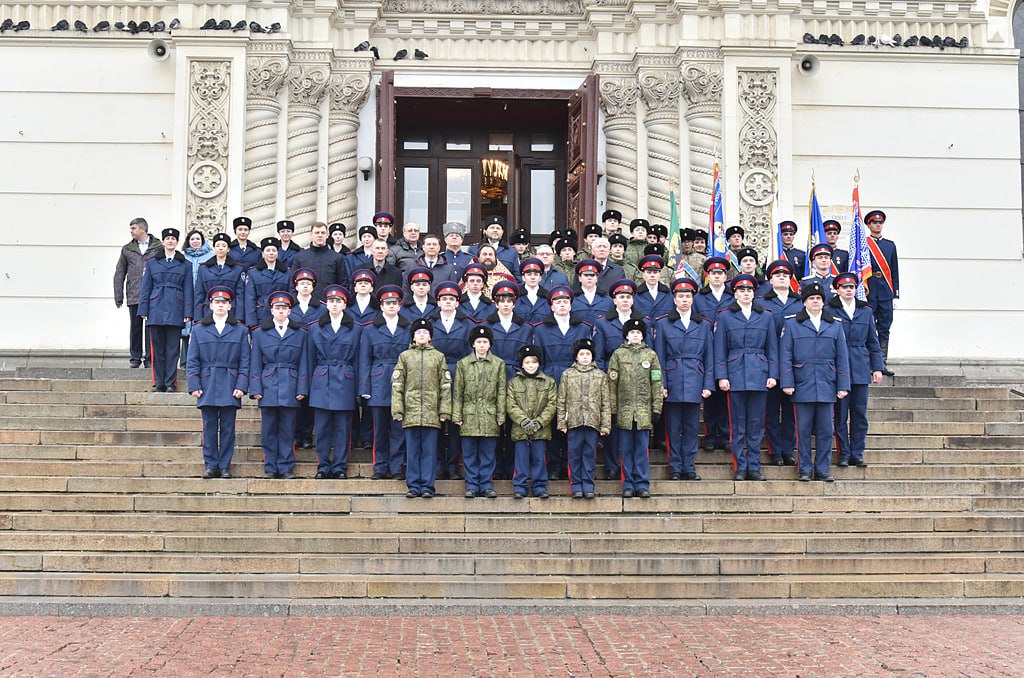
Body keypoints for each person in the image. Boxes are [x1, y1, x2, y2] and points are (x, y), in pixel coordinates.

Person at [780, 281, 851, 482]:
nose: (815, 302)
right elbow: (785, 354)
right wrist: (787, 381)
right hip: (802, 383)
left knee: (826, 430)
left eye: (818, 299)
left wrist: (843, 385)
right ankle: (804, 469)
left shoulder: (835, 325)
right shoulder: (792, 324)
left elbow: (842, 357)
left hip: (827, 383)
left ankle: (822, 468)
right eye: (811, 299)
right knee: (802, 430)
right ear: (804, 302)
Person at [714, 274, 779, 481]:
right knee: (738, 425)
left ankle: (754, 466)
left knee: (756, 425)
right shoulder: (725, 316)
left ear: (754, 293)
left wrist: (773, 374)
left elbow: (772, 348)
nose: (746, 294)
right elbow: (719, 350)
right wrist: (722, 376)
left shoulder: (766, 316)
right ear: (735, 293)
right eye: (741, 291)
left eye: (749, 291)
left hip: (759, 374)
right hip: (735, 375)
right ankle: (740, 466)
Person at [186, 286, 249, 479]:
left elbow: (245, 361)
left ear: (230, 306)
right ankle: (211, 464)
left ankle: (225, 466)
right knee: (209, 427)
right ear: (211, 305)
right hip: (207, 384)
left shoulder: (240, 330)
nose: (220, 306)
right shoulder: (198, 330)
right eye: (217, 302)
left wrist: (241, 385)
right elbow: (192, 360)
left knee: (228, 428)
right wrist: (194, 385)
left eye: (224, 303)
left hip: (230, 384)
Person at [655, 277, 714, 481]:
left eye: (688, 296)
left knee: (691, 428)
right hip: (672, 380)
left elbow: (710, 357)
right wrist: (660, 384)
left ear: (693, 298)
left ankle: (689, 466)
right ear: (674, 299)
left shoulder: (703, 325)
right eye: (680, 296)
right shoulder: (663, 324)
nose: (684, 300)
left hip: (695, 380)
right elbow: (659, 358)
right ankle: (675, 467)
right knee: (673, 427)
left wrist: (708, 384)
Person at [249, 291, 310, 480]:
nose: (281, 311)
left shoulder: (300, 333)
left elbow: (304, 363)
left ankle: (285, 466)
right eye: (278, 308)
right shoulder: (260, 333)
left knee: (287, 430)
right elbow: (255, 363)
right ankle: (270, 466)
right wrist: (256, 388)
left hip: (290, 385)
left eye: (284, 308)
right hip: (268, 385)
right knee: (268, 430)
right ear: (272, 310)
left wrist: (302, 389)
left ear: (290, 311)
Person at [392, 318, 452, 499]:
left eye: (425, 333)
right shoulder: (405, 356)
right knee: (412, 451)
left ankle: (427, 485)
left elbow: (446, 385)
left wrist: (444, 411)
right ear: (413, 336)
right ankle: (413, 485)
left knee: (429, 451)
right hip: (411, 410)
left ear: (430, 337)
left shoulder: (438, 357)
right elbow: (397, 384)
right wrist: (397, 409)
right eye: (418, 333)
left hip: (431, 411)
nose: (422, 335)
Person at [829, 273, 884, 468]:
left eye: (851, 287)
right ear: (837, 289)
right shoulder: (829, 310)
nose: (848, 290)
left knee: (860, 414)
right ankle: (843, 453)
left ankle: (857, 452)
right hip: (839, 368)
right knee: (840, 415)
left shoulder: (865, 311)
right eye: (844, 287)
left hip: (860, 365)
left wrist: (877, 367)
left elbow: (872, 341)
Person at [309, 284, 363, 479]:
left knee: (342, 428)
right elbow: (309, 359)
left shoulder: (356, 329)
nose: (334, 304)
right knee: (322, 428)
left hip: (345, 380)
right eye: (331, 301)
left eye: (338, 301)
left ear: (344, 305)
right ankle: (323, 465)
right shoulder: (315, 327)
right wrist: (307, 386)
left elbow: (359, 360)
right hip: (321, 380)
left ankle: (340, 466)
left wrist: (359, 388)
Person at [358, 285, 411, 480]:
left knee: (398, 428)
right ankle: (380, 466)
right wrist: (364, 387)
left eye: (394, 303)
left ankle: (396, 467)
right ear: (381, 306)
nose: (391, 306)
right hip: (378, 381)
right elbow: (364, 359)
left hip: (401, 382)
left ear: (399, 306)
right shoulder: (370, 329)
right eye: (387, 303)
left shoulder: (408, 327)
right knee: (379, 428)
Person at [608, 318, 662, 498]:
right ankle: (628, 484)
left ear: (643, 336)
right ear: (626, 335)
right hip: (624, 411)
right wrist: (613, 410)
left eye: (638, 333)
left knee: (641, 450)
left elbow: (656, 382)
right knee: (626, 449)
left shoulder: (651, 355)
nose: (635, 336)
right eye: (632, 333)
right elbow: (612, 384)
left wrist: (656, 408)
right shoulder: (618, 355)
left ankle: (642, 484)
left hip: (643, 412)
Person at [453, 326, 507, 498]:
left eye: (485, 342)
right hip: (469, 413)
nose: (482, 345)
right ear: (473, 344)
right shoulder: (463, 364)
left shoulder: (498, 364)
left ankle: (486, 484)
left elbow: (501, 391)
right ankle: (472, 485)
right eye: (479, 342)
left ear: (490, 344)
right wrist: (457, 414)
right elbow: (458, 392)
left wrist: (500, 415)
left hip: (489, 413)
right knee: (469, 453)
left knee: (487, 453)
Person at [758, 259, 803, 466]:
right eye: (777, 275)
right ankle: (774, 450)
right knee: (771, 410)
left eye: (785, 275)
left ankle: (788, 449)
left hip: (794, 364)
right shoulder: (762, 302)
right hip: (769, 362)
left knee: (791, 412)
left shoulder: (799, 302)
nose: (782, 278)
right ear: (771, 279)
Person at [138, 227, 193, 393]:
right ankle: (158, 382)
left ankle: (170, 383)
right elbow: (146, 288)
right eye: (167, 238)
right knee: (157, 349)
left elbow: (188, 289)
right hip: (156, 308)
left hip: (176, 308)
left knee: (172, 349)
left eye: (173, 239)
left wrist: (188, 313)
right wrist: (143, 310)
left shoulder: (185, 264)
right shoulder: (152, 262)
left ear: (177, 242)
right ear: (162, 242)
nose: (170, 241)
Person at [429, 281, 475, 480]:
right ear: (438, 302)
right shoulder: (429, 323)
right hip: (434, 377)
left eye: (452, 299)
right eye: (444, 299)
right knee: (437, 421)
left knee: (456, 423)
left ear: (457, 303)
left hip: (458, 374)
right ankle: (438, 465)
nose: (448, 302)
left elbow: (469, 352)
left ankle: (453, 465)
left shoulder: (467, 324)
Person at [557, 338, 611, 499]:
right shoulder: (568, 374)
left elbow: (605, 402)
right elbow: (561, 400)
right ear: (576, 356)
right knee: (574, 454)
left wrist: (605, 425)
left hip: (593, 422)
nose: (585, 357)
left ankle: (588, 484)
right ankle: (575, 485)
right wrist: (562, 422)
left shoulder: (600, 375)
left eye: (588, 354)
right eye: (582, 354)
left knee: (589, 454)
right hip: (574, 421)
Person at [693, 256, 733, 451]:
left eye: (721, 273)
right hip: (706, 349)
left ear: (726, 276)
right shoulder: (699, 297)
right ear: (708, 276)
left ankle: (724, 435)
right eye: (713, 273)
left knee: (725, 396)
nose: (717, 277)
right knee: (709, 395)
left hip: (727, 350)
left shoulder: (733, 296)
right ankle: (709, 435)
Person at [507, 345, 557, 499]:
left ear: (539, 364)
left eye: (533, 362)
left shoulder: (548, 382)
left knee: (539, 459)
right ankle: (520, 486)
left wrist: (539, 422)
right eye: (527, 362)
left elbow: (552, 404)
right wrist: (523, 421)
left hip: (540, 430)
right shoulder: (514, 382)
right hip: (520, 429)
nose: (530, 365)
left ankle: (539, 486)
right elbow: (510, 404)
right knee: (521, 459)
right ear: (522, 364)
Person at [113, 217, 160, 368]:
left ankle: (150, 358)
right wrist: (119, 296)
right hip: (134, 293)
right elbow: (120, 273)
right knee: (135, 327)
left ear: (142, 229)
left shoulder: (158, 247)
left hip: (153, 295)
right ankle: (135, 357)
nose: (131, 231)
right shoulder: (128, 249)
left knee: (150, 328)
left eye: (133, 228)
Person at [289, 267, 322, 449]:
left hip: (314, 356)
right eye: (302, 283)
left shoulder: (321, 307)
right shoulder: (289, 307)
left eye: (308, 284)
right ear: (296, 286)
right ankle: (295, 433)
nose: (305, 286)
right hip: (292, 355)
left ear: (313, 287)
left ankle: (307, 434)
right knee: (294, 395)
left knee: (309, 395)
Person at [864, 209, 898, 376]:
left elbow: (894, 270)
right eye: (874, 222)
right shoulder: (863, 244)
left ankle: (882, 362)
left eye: (880, 222)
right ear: (868, 225)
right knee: (867, 327)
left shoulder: (889, 245)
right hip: (869, 290)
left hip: (885, 291)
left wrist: (895, 292)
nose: (877, 225)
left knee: (884, 327)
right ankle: (869, 362)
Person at [193, 233, 246, 323]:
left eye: (224, 245)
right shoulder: (203, 268)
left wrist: (239, 317)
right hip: (208, 311)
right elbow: (199, 294)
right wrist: (197, 318)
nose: (220, 248)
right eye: (217, 246)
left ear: (228, 249)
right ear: (213, 249)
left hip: (230, 311)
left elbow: (240, 295)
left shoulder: (238, 269)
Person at [180, 229, 214, 367]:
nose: (195, 241)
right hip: (186, 296)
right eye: (192, 239)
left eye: (198, 239)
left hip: (204, 297)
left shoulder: (210, 257)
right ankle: (184, 360)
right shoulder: (182, 257)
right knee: (185, 329)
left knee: (202, 328)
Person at [292, 222, 347, 302]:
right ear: (311, 235)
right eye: (317, 233)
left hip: (329, 304)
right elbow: (293, 283)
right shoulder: (300, 257)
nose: (320, 235)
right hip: (305, 305)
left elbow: (342, 284)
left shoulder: (337, 258)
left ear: (327, 235)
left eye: (323, 233)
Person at [244, 237, 291, 328]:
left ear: (277, 253)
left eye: (274, 250)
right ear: (262, 254)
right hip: (261, 315)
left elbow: (291, 295)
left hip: (282, 314)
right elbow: (250, 298)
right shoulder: (253, 273)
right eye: (268, 250)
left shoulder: (287, 273)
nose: (271, 253)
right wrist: (251, 322)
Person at [571, 259, 613, 326]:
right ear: (579, 278)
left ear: (597, 277)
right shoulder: (571, 300)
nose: (589, 278)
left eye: (592, 275)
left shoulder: (608, 300)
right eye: (586, 275)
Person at [633, 254, 673, 322]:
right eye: (649, 272)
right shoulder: (635, 296)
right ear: (643, 275)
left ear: (660, 274)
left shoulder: (669, 295)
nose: (652, 275)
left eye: (655, 272)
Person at [515, 258, 551, 326]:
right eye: (529, 274)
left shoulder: (548, 296)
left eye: (536, 274)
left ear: (540, 277)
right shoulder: (515, 296)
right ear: (523, 277)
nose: (533, 277)